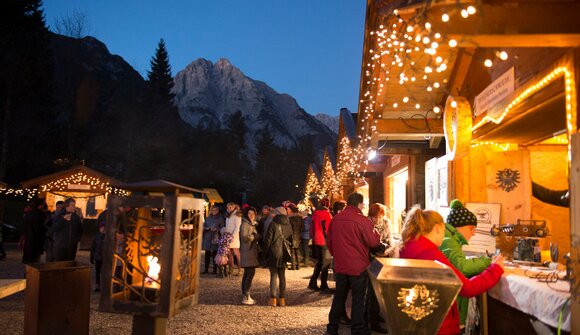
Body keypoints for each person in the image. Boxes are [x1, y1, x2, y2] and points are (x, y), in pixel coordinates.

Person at [400, 206, 504, 335]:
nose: (444, 236)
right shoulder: (430, 253)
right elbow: (467, 288)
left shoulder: (410, 246)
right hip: (438, 323)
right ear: (438, 228)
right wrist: (495, 269)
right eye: (444, 231)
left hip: (421, 319)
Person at [326, 193, 381, 335]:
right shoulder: (362, 220)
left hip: (341, 266)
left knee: (339, 297)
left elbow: (330, 242)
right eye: (363, 204)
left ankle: (331, 328)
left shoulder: (336, 219)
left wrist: (337, 256)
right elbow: (373, 242)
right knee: (358, 300)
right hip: (358, 267)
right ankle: (356, 330)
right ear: (359, 204)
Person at [440, 199, 492, 331]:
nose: (474, 232)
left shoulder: (450, 239)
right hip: (451, 304)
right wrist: (489, 261)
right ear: (458, 226)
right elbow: (462, 268)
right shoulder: (448, 241)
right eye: (471, 228)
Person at [366, 203, 398, 333]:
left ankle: (376, 315)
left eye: (380, 216)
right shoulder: (366, 223)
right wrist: (373, 252)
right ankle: (371, 318)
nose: (378, 219)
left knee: (379, 289)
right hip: (370, 259)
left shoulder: (386, 223)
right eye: (376, 217)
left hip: (383, 257)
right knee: (372, 290)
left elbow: (391, 240)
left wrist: (387, 251)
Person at [263, 206, 293, 307]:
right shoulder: (289, 224)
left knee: (273, 276)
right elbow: (291, 240)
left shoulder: (273, 224)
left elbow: (268, 240)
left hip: (274, 253)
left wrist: (265, 254)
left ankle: (273, 299)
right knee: (282, 276)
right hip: (284, 253)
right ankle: (283, 299)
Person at [308, 198, 333, 292]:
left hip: (316, 241)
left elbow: (312, 229)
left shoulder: (315, 214)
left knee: (319, 262)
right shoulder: (327, 214)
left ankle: (312, 282)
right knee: (326, 263)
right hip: (325, 242)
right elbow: (328, 229)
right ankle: (323, 284)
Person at [240, 207, 260, 305]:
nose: (251, 215)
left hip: (250, 251)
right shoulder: (245, 224)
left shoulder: (251, 224)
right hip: (247, 251)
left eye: (253, 213)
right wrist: (254, 237)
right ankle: (246, 296)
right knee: (250, 273)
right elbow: (244, 237)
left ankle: (246, 294)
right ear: (246, 215)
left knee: (248, 273)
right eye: (249, 213)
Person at [22, 198, 48, 264]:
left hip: (29, 242)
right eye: (43, 204)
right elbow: (38, 229)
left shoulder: (28, 214)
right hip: (35, 242)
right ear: (40, 205)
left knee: (29, 262)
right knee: (35, 264)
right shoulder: (39, 214)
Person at [203, 205, 223, 274]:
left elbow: (223, 228)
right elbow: (204, 226)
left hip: (215, 238)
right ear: (211, 211)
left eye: (215, 210)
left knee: (215, 254)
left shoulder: (220, 218)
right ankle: (206, 269)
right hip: (208, 237)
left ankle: (214, 270)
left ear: (217, 211)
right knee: (207, 254)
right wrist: (207, 228)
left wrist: (217, 229)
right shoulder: (208, 218)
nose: (214, 211)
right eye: (213, 210)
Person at [224, 202, 242, 276]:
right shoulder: (228, 215)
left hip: (234, 237)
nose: (228, 209)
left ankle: (239, 269)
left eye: (230, 207)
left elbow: (237, 227)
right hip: (228, 236)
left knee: (236, 253)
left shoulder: (237, 216)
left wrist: (232, 236)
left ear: (234, 207)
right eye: (227, 207)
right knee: (229, 254)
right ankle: (231, 269)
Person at [287, 203, 304, 270]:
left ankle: (293, 266)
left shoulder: (290, 218)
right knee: (297, 250)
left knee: (292, 251)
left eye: (288, 209)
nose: (287, 210)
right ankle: (298, 265)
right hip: (298, 235)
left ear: (291, 210)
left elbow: (289, 228)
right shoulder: (300, 218)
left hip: (292, 235)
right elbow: (302, 227)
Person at [90, 222, 106, 292]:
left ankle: (104, 286)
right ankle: (97, 285)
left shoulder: (109, 237)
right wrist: (92, 256)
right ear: (100, 228)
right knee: (97, 271)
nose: (103, 229)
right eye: (102, 228)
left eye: (104, 228)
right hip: (98, 257)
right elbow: (93, 247)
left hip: (105, 258)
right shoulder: (96, 237)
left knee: (105, 272)